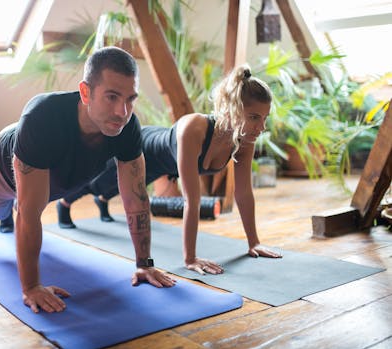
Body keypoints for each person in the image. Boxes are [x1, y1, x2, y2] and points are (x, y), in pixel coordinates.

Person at [0, 46, 176, 314]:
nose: (122, 111)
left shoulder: (127, 127)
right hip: (3, 165)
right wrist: (31, 286)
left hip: (53, 176)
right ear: (85, 92)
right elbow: (28, 213)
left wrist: (145, 263)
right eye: (112, 97)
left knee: (29, 201)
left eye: (130, 99)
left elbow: (136, 200)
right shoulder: (43, 117)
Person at [57, 64, 283, 275]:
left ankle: (103, 200)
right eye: (254, 117)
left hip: (164, 166)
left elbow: (243, 193)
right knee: (98, 180)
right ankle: (64, 203)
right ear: (233, 110)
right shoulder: (194, 129)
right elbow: (191, 201)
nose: (261, 127)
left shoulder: (244, 139)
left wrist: (254, 243)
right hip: (145, 146)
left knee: (115, 187)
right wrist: (191, 258)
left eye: (264, 118)